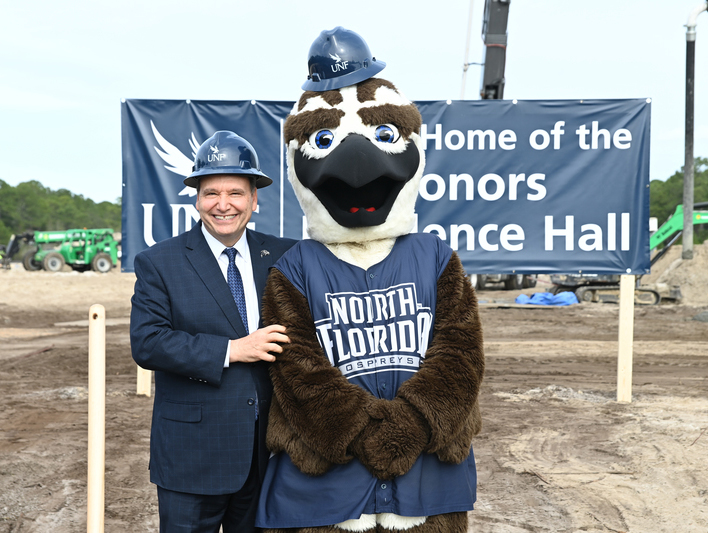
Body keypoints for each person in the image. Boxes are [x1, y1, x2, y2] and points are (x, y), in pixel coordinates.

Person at [130, 130, 297, 532]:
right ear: (196, 198)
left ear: (255, 200)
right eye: (211, 194)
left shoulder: (284, 256)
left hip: (265, 458)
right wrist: (233, 350)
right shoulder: (159, 262)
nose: (223, 205)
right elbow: (148, 342)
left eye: (236, 193)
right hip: (192, 460)